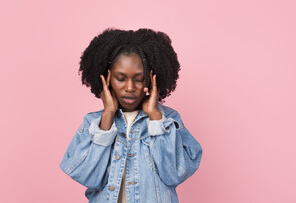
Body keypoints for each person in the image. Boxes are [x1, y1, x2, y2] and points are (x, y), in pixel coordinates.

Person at [59, 28, 203, 203]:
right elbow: (88, 177)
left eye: (139, 78)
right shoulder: (94, 122)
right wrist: (107, 117)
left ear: (151, 79)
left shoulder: (168, 120)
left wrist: (156, 118)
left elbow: (174, 174)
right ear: (107, 79)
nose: (129, 87)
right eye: (120, 78)